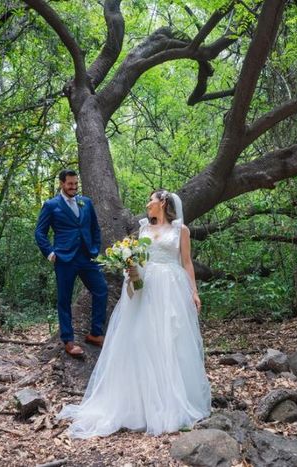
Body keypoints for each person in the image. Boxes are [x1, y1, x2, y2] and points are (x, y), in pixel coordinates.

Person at [57, 189, 211, 438]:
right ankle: (139, 404)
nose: (147, 204)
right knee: (142, 339)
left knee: (171, 340)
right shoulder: (144, 229)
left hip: (171, 288)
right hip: (147, 288)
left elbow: (187, 263)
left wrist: (193, 292)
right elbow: (140, 260)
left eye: (151, 200)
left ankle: (172, 403)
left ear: (162, 202)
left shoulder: (181, 230)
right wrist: (131, 270)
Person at [34, 169, 108, 358]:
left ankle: (95, 333)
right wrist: (50, 253)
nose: (74, 187)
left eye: (76, 184)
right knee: (64, 300)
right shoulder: (51, 205)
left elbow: (94, 228)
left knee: (101, 289)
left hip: (87, 257)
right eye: (70, 184)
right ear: (62, 183)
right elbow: (39, 232)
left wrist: (95, 249)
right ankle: (68, 340)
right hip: (64, 259)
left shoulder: (86, 202)